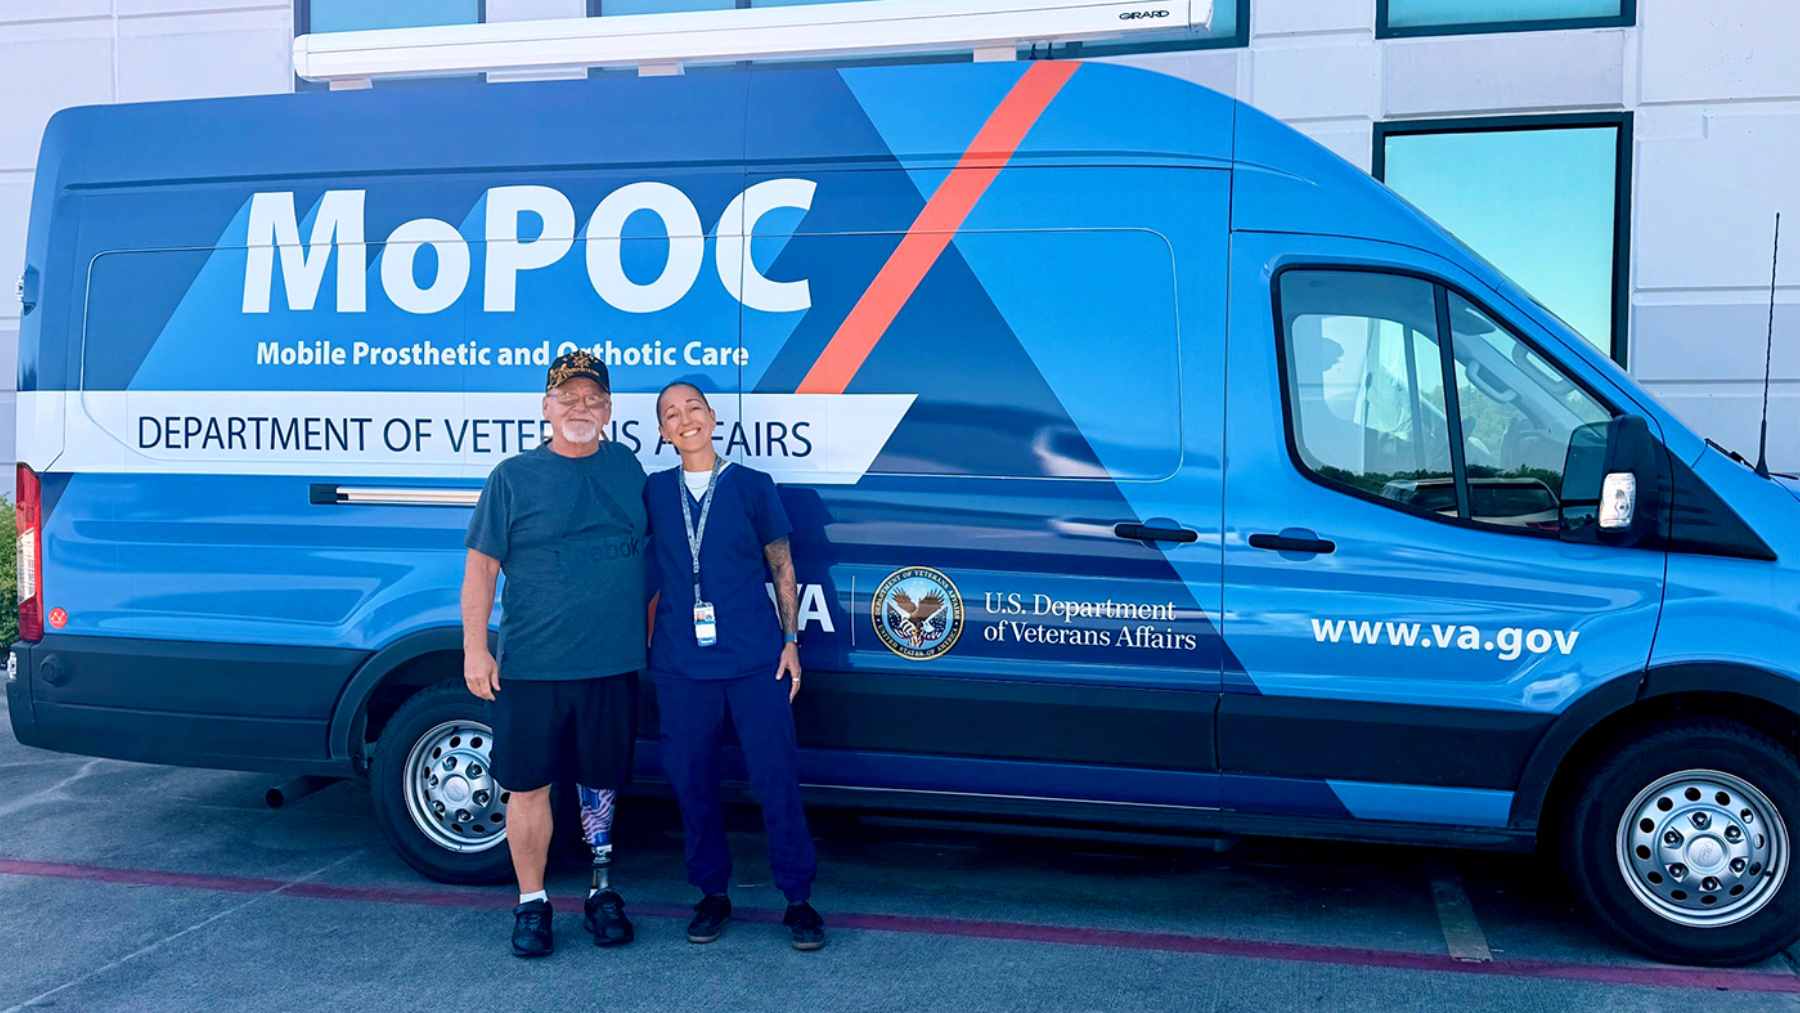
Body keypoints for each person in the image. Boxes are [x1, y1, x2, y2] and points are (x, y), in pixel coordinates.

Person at [462, 350, 648, 958]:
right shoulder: (512, 478)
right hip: (532, 667)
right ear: (545, 408)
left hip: (611, 664)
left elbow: (650, 562)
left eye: (593, 399)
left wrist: (642, 635)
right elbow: (482, 569)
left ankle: (600, 892)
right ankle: (532, 903)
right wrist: (475, 648)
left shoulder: (628, 469)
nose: (580, 408)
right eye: (567, 398)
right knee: (529, 787)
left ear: (610, 411)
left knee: (601, 785)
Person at [644, 381, 826, 952]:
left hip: (755, 662)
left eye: (692, 407)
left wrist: (791, 641)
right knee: (692, 784)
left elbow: (784, 567)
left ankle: (798, 900)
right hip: (679, 665)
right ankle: (712, 894)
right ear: (663, 432)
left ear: (713, 416)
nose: (684, 419)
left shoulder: (752, 486)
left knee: (775, 781)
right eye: (671, 414)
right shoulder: (651, 492)